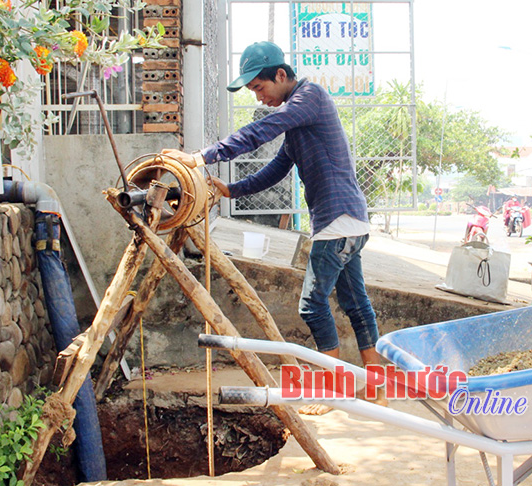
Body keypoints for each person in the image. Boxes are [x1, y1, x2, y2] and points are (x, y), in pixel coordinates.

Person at [162, 41, 385, 413]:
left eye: (260, 88)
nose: (259, 97)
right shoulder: (300, 121)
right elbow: (275, 170)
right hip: (349, 221)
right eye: (252, 91)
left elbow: (262, 130)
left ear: (281, 75)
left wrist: (201, 157)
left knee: (313, 306)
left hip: (336, 223)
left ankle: (330, 392)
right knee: (355, 303)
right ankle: (375, 386)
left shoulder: (308, 98)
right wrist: (232, 189)